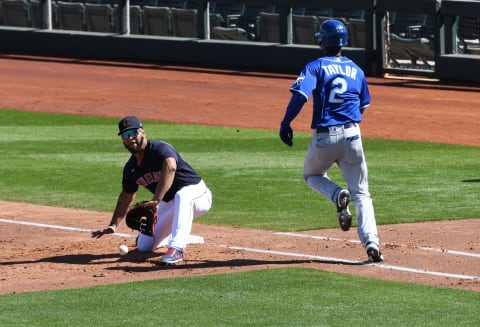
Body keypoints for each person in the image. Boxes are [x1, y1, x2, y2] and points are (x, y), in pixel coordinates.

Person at [278, 19, 383, 262]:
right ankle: (372, 243)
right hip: (353, 135)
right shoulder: (356, 69)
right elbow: (363, 105)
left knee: (311, 175)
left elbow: (300, 97)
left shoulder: (315, 67)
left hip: (326, 136)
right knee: (362, 194)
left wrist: (286, 123)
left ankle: (336, 195)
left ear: (322, 41)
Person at [92, 116, 212, 264]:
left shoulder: (160, 149)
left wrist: (156, 199)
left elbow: (171, 167)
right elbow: (126, 196)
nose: (130, 138)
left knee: (182, 195)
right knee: (144, 246)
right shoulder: (131, 168)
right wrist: (113, 224)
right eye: (125, 135)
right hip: (170, 203)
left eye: (133, 133)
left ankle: (177, 249)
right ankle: (175, 234)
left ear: (143, 132)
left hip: (197, 195)